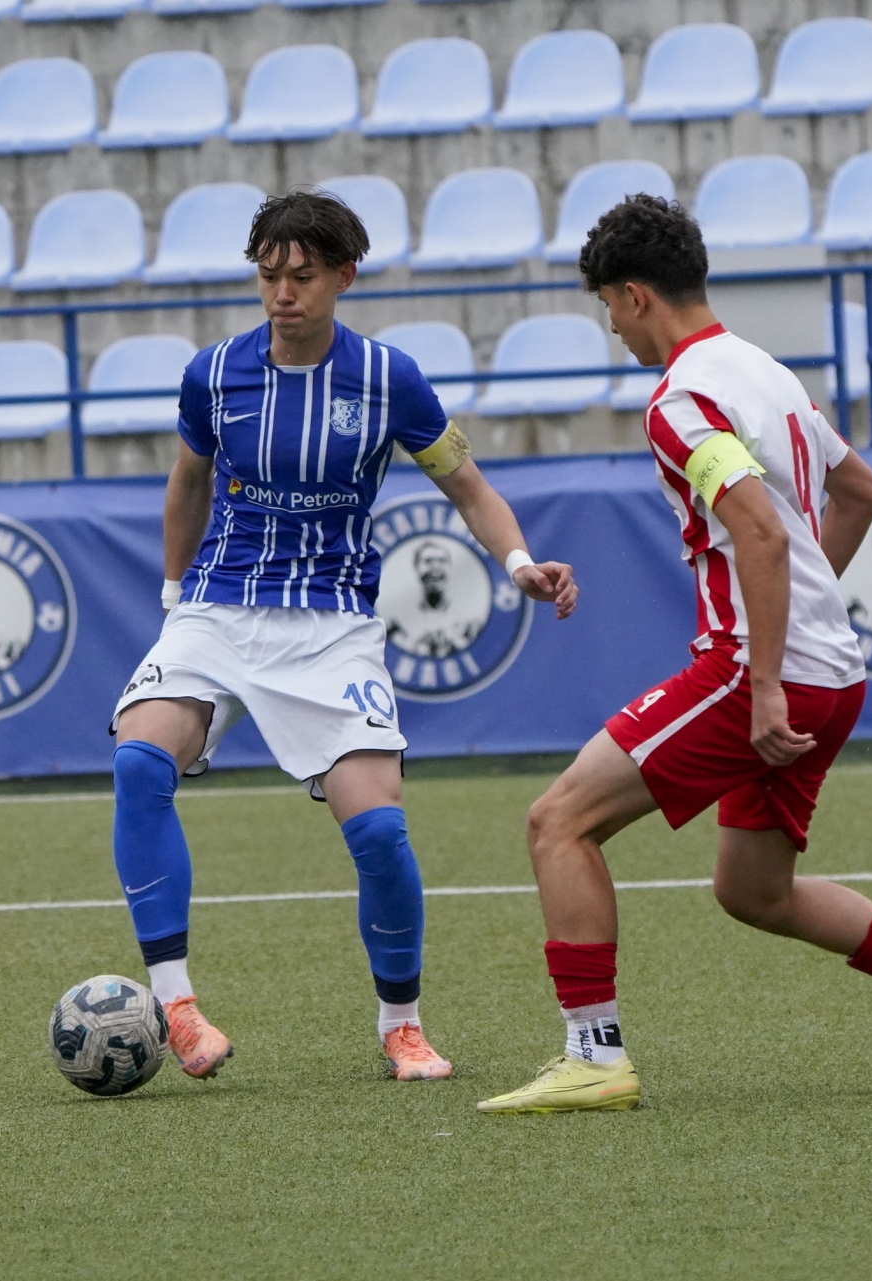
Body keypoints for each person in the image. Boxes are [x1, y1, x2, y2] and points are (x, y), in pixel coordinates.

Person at [476, 195, 872, 1115]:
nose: (611, 328)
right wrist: (803, 622)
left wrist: (766, 678)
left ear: (635, 294)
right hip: (833, 674)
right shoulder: (766, 372)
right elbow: (862, 491)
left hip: (757, 673)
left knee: (558, 821)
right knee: (754, 888)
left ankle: (593, 1054)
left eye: (608, 307)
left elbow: (762, 536)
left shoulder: (681, 400)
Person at [108, 189, 578, 1084]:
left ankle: (402, 1025)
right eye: (269, 275)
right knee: (139, 762)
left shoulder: (388, 378)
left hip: (331, 626)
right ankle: (176, 1004)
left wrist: (518, 561)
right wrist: (174, 598)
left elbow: (469, 486)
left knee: (381, 835)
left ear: (344, 277)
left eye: (303, 276)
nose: (282, 293)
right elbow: (187, 485)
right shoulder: (213, 374)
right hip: (219, 607)